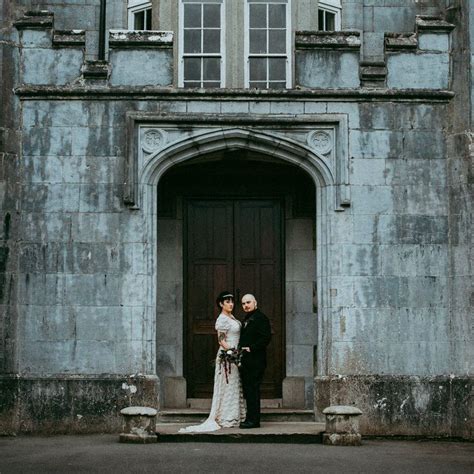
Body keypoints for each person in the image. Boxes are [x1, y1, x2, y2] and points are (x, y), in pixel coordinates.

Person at [179, 291, 246, 433]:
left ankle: (234, 416)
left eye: (232, 301)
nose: (231, 304)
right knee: (227, 385)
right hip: (228, 355)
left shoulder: (231, 317)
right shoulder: (222, 319)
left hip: (234, 354)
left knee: (234, 385)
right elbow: (221, 340)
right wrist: (233, 351)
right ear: (221, 304)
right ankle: (225, 417)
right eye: (227, 302)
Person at [238, 293, 272, 429]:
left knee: (253, 390)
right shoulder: (248, 318)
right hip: (248, 362)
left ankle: (254, 420)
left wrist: (251, 348)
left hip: (256, 361)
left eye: (248, 302)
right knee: (249, 390)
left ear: (255, 303)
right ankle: (250, 418)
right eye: (243, 303)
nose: (246, 305)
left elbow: (266, 338)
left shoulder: (261, 318)